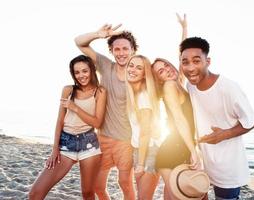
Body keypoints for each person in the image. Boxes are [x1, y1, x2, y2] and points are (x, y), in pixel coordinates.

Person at [180, 36, 254, 200]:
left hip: (227, 167)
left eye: (196, 61)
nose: (191, 67)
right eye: (185, 62)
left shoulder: (228, 88)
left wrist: (224, 134)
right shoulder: (191, 86)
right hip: (205, 164)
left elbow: (252, 121)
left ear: (208, 61)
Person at [29, 55, 107, 200]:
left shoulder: (100, 92)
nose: (81, 76)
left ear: (92, 70)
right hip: (66, 144)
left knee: (88, 193)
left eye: (85, 71)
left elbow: (97, 123)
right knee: (35, 193)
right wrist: (55, 149)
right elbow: (60, 121)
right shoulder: (68, 90)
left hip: (89, 144)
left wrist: (75, 108)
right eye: (77, 72)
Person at [75, 24, 137, 200]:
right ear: (111, 51)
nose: (121, 52)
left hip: (126, 140)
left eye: (125, 48)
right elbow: (79, 43)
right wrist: (98, 34)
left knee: (125, 183)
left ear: (132, 50)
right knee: (97, 187)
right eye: (116, 49)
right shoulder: (106, 65)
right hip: (102, 139)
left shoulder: (137, 73)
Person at [152, 58, 202, 200]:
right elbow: (179, 120)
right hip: (172, 153)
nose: (167, 69)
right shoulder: (169, 86)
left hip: (180, 148)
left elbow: (181, 55)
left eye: (166, 65)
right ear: (159, 80)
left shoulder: (179, 83)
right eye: (161, 71)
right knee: (185, 196)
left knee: (183, 195)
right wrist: (194, 150)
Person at [125, 55, 161, 199]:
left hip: (149, 153)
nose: (133, 70)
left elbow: (145, 132)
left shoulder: (143, 96)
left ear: (145, 74)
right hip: (139, 150)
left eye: (139, 68)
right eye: (131, 65)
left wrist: (140, 164)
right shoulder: (134, 93)